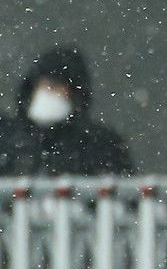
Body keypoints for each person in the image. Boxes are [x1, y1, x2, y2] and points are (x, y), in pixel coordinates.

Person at [0, 45, 134, 176]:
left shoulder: (101, 144)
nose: (53, 95)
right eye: (49, 86)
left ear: (76, 97)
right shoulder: (5, 138)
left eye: (63, 89)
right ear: (32, 88)